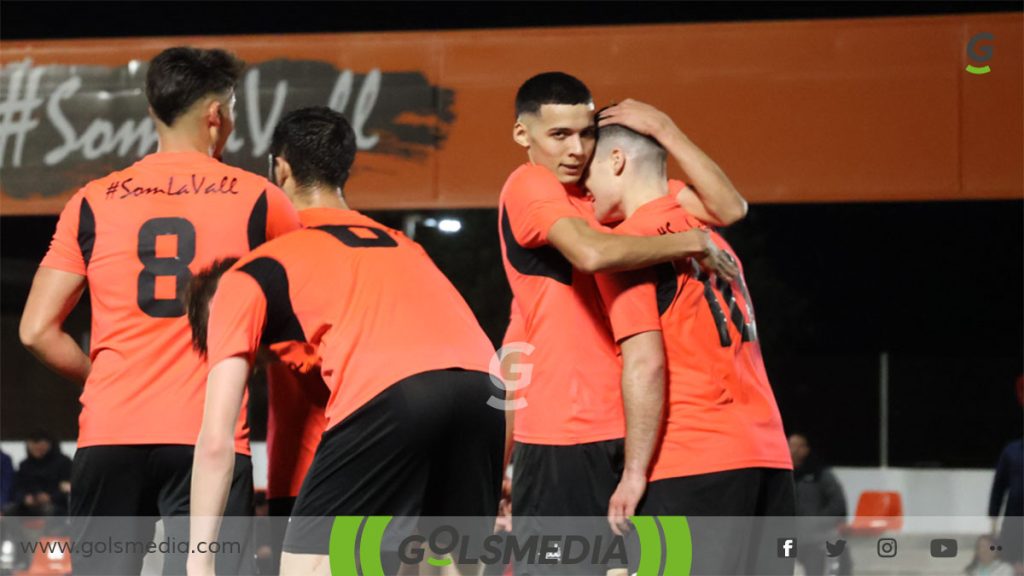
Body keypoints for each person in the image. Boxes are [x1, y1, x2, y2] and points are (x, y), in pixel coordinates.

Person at [19, 46, 301, 574]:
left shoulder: (92, 200)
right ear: (217, 115)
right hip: (207, 440)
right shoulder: (260, 199)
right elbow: (305, 310)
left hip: (110, 434)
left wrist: (101, 380)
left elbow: (36, 330)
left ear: (154, 110)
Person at [187, 106, 504, 576]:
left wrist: (200, 562)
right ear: (346, 168)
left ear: (281, 168)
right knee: (445, 567)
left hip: (392, 396)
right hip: (486, 392)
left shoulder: (256, 270)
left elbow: (216, 440)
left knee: (306, 567)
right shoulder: (404, 244)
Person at [499, 72, 746, 575]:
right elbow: (591, 253)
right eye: (560, 135)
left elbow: (728, 207)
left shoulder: (604, 191)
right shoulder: (531, 184)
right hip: (563, 435)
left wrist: (668, 132)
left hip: (636, 431)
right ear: (524, 136)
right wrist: (691, 242)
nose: (576, 148)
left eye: (586, 132)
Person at [585, 120, 794, 575]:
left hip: (694, 460)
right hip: (768, 456)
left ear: (616, 162)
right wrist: (665, 130)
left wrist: (633, 472)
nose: (585, 190)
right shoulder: (707, 232)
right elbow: (727, 203)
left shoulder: (626, 248)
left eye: (588, 174)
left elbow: (646, 365)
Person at [186, 257, 330, 575]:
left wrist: (199, 562)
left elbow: (214, 444)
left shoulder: (315, 343)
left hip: (342, 493)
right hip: (293, 492)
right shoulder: (285, 349)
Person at [789, 433, 849, 576]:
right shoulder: (783, 476)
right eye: (790, 446)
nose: (792, 450)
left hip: (815, 541)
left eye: (796, 446)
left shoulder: (820, 474)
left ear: (805, 449)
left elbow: (838, 505)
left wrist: (817, 522)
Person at [989, 376, 1024, 572]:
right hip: (1014, 521)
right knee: (1012, 567)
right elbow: (998, 487)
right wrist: (993, 524)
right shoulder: (1011, 451)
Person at [9, 430, 72, 517]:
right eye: (33, 447)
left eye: (41, 446)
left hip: (56, 504)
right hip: (30, 503)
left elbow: (67, 487)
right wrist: (25, 498)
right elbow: (18, 486)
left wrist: (51, 497)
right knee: (9, 510)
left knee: (50, 511)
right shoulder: (25, 465)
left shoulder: (63, 463)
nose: (37, 449)